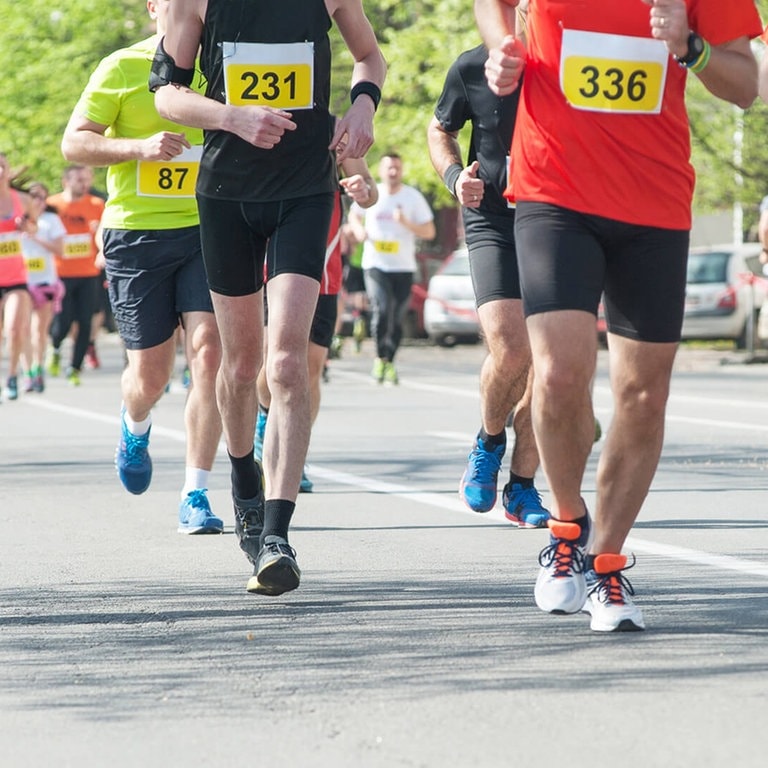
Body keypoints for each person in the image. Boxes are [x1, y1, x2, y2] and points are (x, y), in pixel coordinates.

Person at [474, 0, 760, 631]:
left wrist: (692, 48)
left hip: (654, 203)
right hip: (554, 190)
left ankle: (607, 564)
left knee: (643, 394)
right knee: (557, 374)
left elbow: (746, 86)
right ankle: (567, 531)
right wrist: (503, 48)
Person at [152, 0, 386, 595]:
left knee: (286, 363)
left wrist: (362, 106)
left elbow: (369, 56)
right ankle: (242, 479)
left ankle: (277, 534)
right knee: (240, 365)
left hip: (306, 191)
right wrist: (232, 117)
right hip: (227, 194)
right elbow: (167, 94)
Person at [60, 0, 225, 535]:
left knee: (208, 354)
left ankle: (195, 492)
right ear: (155, 7)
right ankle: (135, 424)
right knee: (150, 375)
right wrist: (139, 147)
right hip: (137, 234)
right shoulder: (123, 66)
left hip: (208, 229)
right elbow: (75, 142)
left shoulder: (221, 62)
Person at [427, 36, 548, 528]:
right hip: (493, 218)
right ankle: (489, 441)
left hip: (558, 220)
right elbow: (440, 129)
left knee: (553, 362)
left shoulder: (571, 60)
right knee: (512, 348)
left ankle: (522, 488)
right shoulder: (475, 65)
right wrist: (456, 177)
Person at [255, 158, 379, 494]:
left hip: (325, 275)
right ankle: (264, 424)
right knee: (272, 364)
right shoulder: (270, 124)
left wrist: (362, 189)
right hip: (274, 268)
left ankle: (295, 453)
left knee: (310, 370)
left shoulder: (337, 133)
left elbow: (371, 192)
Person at [347, 152, 435, 384]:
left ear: (402, 170)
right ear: (381, 171)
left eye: (397, 167)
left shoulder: (412, 198)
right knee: (382, 309)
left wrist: (406, 223)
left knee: (397, 317)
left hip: (403, 267)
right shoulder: (373, 194)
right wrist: (358, 230)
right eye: (389, 168)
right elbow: (354, 215)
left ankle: (390, 360)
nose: (393, 172)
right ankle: (379, 357)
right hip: (375, 264)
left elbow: (429, 231)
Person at [46, 165, 105, 386]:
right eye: (78, 179)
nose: (84, 183)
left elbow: (106, 233)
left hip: (89, 273)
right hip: (61, 273)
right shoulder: (52, 205)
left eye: (86, 179)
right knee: (63, 321)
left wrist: (99, 229)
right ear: (66, 182)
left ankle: (75, 367)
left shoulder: (97, 205)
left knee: (85, 321)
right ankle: (55, 346)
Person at [20, 182, 66, 394]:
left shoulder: (51, 220)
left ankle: (38, 369)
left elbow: (60, 250)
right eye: (34, 196)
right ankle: (27, 372)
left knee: (40, 331)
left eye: (42, 197)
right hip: (21, 283)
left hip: (45, 282)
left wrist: (36, 238)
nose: (38, 201)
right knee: (22, 330)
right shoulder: (16, 220)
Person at [0, 152, 34, 402]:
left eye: (2, 166)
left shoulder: (22, 199)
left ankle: (12, 375)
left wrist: (26, 227)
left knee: (14, 328)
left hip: (16, 276)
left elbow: (34, 228)